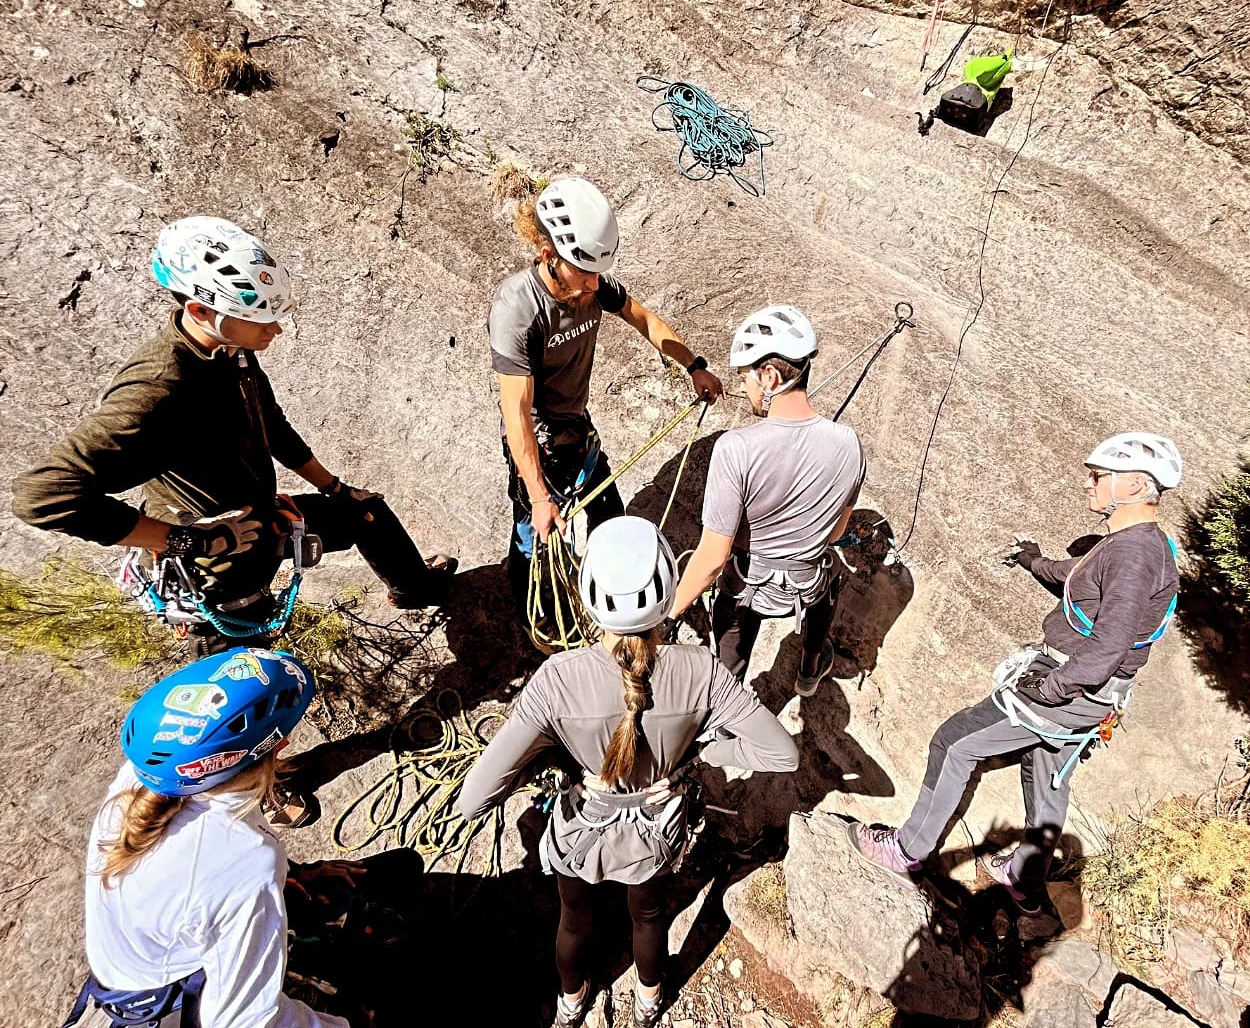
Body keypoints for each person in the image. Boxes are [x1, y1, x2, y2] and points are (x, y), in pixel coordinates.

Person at [12, 217, 455, 659]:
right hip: (214, 569)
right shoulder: (158, 390)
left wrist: (334, 488)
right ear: (200, 310)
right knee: (257, 685)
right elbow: (44, 495)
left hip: (254, 524)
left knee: (365, 513)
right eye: (258, 319)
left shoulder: (228, 349)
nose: (274, 330)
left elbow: (269, 422)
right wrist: (191, 541)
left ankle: (415, 590)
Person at [457, 516, 798, 1027]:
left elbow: (472, 800)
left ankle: (571, 1004)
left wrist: (555, 768)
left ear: (587, 594)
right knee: (650, 916)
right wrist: (703, 756)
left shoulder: (557, 680)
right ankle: (648, 1001)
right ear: (667, 591)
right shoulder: (701, 671)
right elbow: (782, 755)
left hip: (582, 831)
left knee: (574, 921)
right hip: (655, 832)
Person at [848, 433, 1183, 914]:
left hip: (1069, 685)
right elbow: (1077, 578)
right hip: (1098, 696)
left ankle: (907, 852)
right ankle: (1025, 882)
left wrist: (1051, 687)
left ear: (1132, 485)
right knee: (1047, 770)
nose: (1088, 483)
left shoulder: (1132, 555)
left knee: (955, 742)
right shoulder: (1144, 545)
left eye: (1098, 476)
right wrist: (1032, 561)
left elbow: (1109, 645)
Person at [65, 647, 374, 1028]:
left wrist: (292, 876)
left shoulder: (140, 779)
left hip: (143, 965)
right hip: (175, 995)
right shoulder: (244, 857)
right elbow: (247, 1021)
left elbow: (197, 877)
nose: (287, 743)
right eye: (284, 737)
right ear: (275, 747)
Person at [488, 178, 723, 612]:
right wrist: (539, 497)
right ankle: (532, 617)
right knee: (535, 537)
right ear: (549, 257)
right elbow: (516, 412)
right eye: (585, 273)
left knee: (610, 518)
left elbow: (643, 318)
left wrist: (693, 365)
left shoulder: (592, 285)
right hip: (536, 439)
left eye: (598, 273)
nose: (595, 285)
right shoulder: (517, 309)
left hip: (576, 424)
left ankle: (620, 599)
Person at [665, 305, 866, 694]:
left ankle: (723, 716)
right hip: (807, 582)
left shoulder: (736, 448)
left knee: (729, 640)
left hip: (746, 585)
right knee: (830, 577)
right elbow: (836, 531)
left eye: (746, 378)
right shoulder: (849, 444)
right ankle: (809, 668)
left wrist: (666, 616)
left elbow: (711, 559)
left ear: (770, 377)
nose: (743, 388)